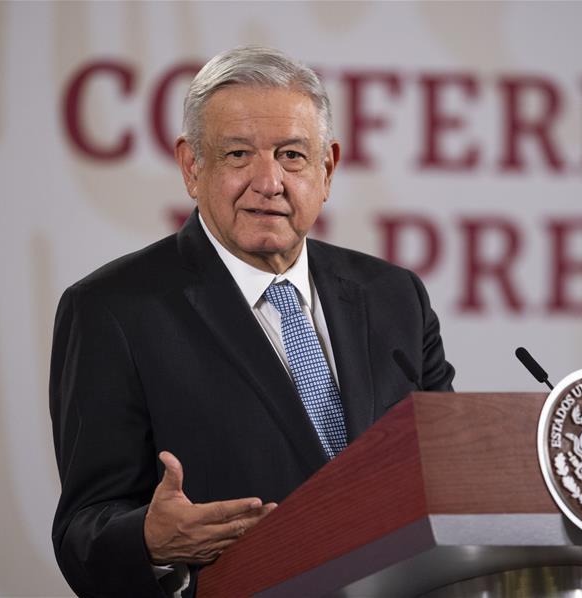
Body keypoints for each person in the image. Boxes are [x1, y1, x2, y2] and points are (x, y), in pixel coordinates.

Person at [49, 46, 455, 598]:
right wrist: (149, 541)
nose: (269, 181)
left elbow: (448, 473)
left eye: (292, 156)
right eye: (238, 155)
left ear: (327, 167)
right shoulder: (113, 309)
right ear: (193, 167)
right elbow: (83, 531)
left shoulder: (394, 297)